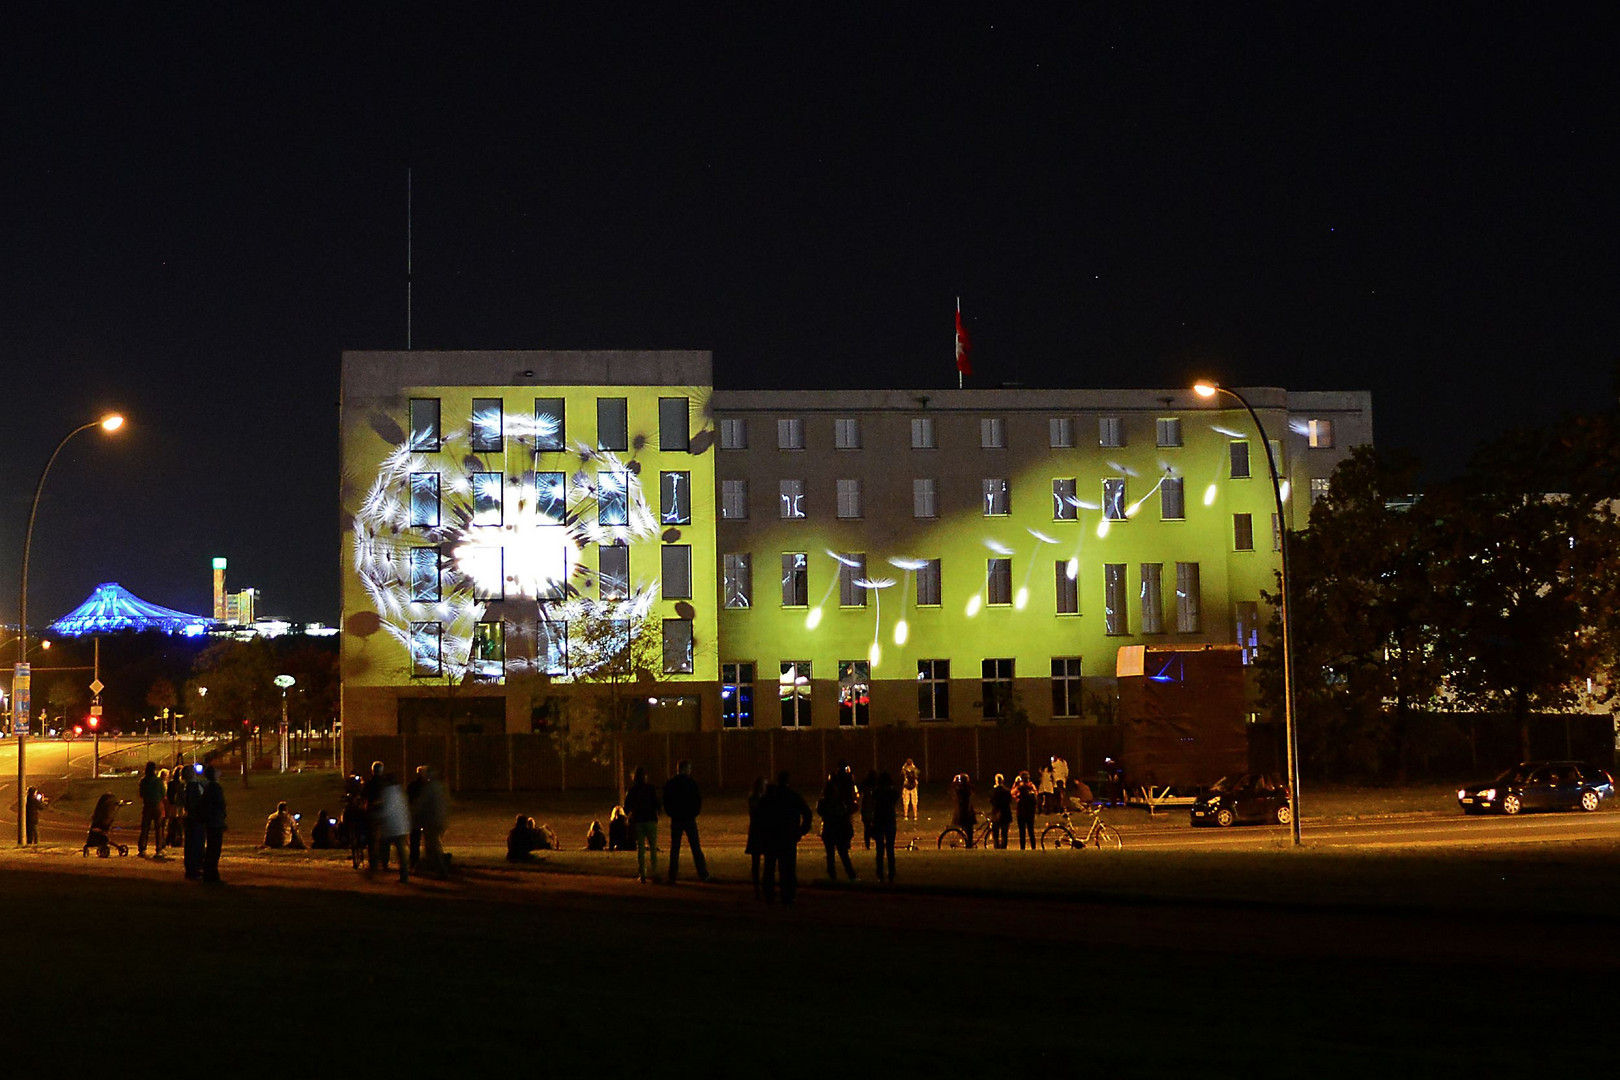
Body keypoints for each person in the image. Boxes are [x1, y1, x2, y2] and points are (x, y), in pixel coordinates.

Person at [760, 771, 812, 905]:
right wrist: (801, 831)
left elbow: (760, 815)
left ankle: (769, 895)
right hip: (788, 837)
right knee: (788, 868)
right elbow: (807, 813)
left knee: (770, 867)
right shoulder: (793, 796)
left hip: (772, 837)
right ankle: (788, 895)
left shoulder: (771, 796)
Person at [662, 759, 711, 884]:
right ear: (685, 769)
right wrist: (694, 813)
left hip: (676, 818)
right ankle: (703, 874)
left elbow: (666, 800)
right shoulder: (691, 783)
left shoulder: (671, 783)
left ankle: (672, 875)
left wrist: (671, 812)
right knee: (695, 847)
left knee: (675, 848)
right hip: (689, 818)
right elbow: (697, 800)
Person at [366, 762, 410, 883]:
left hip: (392, 826)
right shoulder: (400, 792)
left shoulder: (388, 793)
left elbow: (387, 810)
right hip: (401, 825)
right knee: (401, 852)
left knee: (382, 845)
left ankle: (377, 868)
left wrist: (376, 816)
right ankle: (404, 874)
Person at [410, 766, 449, 878]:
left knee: (432, 846)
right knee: (432, 845)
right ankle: (435, 867)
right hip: (438, 820)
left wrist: (412, 812)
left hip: (431, 821)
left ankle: (441, 870)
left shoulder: (430, 788)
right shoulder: (440, 787)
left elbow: (420, 804)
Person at [623, 767, 661, 883]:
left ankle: (642, 874)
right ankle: (655, 872)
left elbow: (626, 808)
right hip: (650, 820)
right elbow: (657, 803)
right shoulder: (650, 789)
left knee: (641, 849)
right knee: (653, 848)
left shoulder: (632, 790)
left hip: (638, 821)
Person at [817, 776, 858, 881]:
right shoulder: (838, 802)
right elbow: (845, 814)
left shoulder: (824, 802)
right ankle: (851, 875)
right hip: (838, 829)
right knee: (843, 853)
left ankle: (833, 875)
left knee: (831, 854)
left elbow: (820, 811)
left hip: (829, 829)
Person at [198, 765, 228, 884]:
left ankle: (209, 874)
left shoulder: (208, 787)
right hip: (215, 821)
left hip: (211, 820)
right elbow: (220, 805)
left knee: (211, 848)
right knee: (214, 850)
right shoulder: (215, 787)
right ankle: (212, 876)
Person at [869, 771, 900, 883]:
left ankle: (880, 873)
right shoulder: (893, 793)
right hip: (890, 821)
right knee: (890, 849)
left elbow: (873, 803)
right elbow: (895, 797)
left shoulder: (876, 792)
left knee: (879, 849)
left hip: (879, 821)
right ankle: (891, 872)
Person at [182, 764, 206, 879]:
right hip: (195, 819)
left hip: (194, 818)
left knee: (193, 843)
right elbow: (193, 804)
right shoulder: (192, 786)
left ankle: (194, 868)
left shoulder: (190, 786)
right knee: (195, 843)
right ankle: (193, 870)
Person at [137, 761, 166, 857]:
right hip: (157, 805)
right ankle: (159, 849)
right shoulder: (158, 781)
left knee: (145, 828)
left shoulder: (143, 781)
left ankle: (142, 848)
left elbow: (141, 794)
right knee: (159, 828)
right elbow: (163, 793)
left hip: (147, 806)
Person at [745, 777, 767, 897]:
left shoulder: (756, 798)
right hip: (758, 832)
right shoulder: (755, 798)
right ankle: (757, 887)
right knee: (756, 862)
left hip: (760, 832)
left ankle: (761, 886)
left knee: (762, 861)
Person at [405, 765, 429, 871]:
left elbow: (407, 800)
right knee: (429, 840)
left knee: (414, 840)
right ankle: (428, 861)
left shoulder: (412, 785)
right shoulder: (428, 786)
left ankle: (414, 861)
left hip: (415, 816)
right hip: (424, 815)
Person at [1012, 770, 1039, 850]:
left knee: (1022, 832)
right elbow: (1036, 795)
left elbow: (1012, 792)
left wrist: (1015, 783)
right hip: (1030, 812)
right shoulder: (1031, 786)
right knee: (1031, 831)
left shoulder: (1020, 788)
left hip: (1021, 812)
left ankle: (1022, 848)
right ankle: (1033, 847)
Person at [951, 773, 976, 847]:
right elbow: (972, 789)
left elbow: (952, 788)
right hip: (966, 813)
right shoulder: (966, 789)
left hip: (961, 813)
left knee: (966, 830)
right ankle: (969, 844)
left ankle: (968, 843)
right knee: (969, 831)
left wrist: (954, 781)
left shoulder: (959, 789)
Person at [989, 773, 1013, 850]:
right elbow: (1009, 801)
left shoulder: (993, 791)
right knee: (1004, 834)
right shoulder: (1007, 791)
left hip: (996, 814)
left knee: (995, 834)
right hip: (1005, 814)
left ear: (996, 781)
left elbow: (992, 801)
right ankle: (1003, 847)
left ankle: (996, 847)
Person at [165, 764, 187, 848]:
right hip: (179, 806)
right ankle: (179, 840)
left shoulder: (171, 784)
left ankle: (170, 840)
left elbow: (169, 795)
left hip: (172, 806)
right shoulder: (182, 785)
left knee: (172, 824)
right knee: (180, 824)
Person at [859, 768, 878, 849]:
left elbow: (859, 791)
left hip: (866, 807)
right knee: (876, 826)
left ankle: (868, 845)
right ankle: (877, 842)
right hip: (874, 807)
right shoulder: (876, 785)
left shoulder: (865, 785)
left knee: (866, 827)